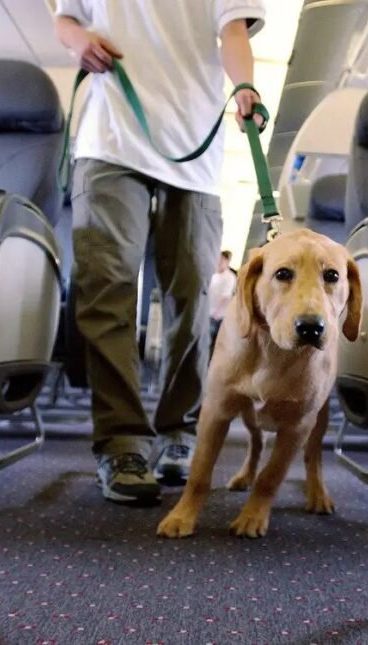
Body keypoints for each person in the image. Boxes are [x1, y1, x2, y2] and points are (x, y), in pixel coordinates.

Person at [54, 0, 266, 506]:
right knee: (107, 292)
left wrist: (245, 86)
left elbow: (233, 31)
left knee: (191, 298)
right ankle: (122, 442)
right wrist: (77, 41)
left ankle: (181, 433)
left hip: (193, 146)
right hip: (110, 140)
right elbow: (67, 17)